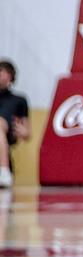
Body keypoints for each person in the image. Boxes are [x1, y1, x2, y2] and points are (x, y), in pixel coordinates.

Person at [0, 60, 28, 188]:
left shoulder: (19, 100)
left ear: (11, 76)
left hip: (6, 135)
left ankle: (4, 170)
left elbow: (27, 133)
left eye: (3, 72)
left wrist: (23, 132)